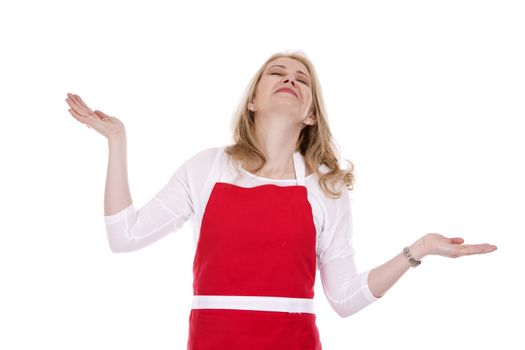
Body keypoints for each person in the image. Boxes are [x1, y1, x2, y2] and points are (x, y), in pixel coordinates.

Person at [65, 50, 498, 350]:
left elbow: (344, 299)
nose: (289, 78)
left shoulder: (326, 188)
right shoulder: (206, 168)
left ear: (311, 113)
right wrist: (116, 141)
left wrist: (417, 251)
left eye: (301, 78)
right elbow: (126, 236)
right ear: (253, 100)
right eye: (277, 72)